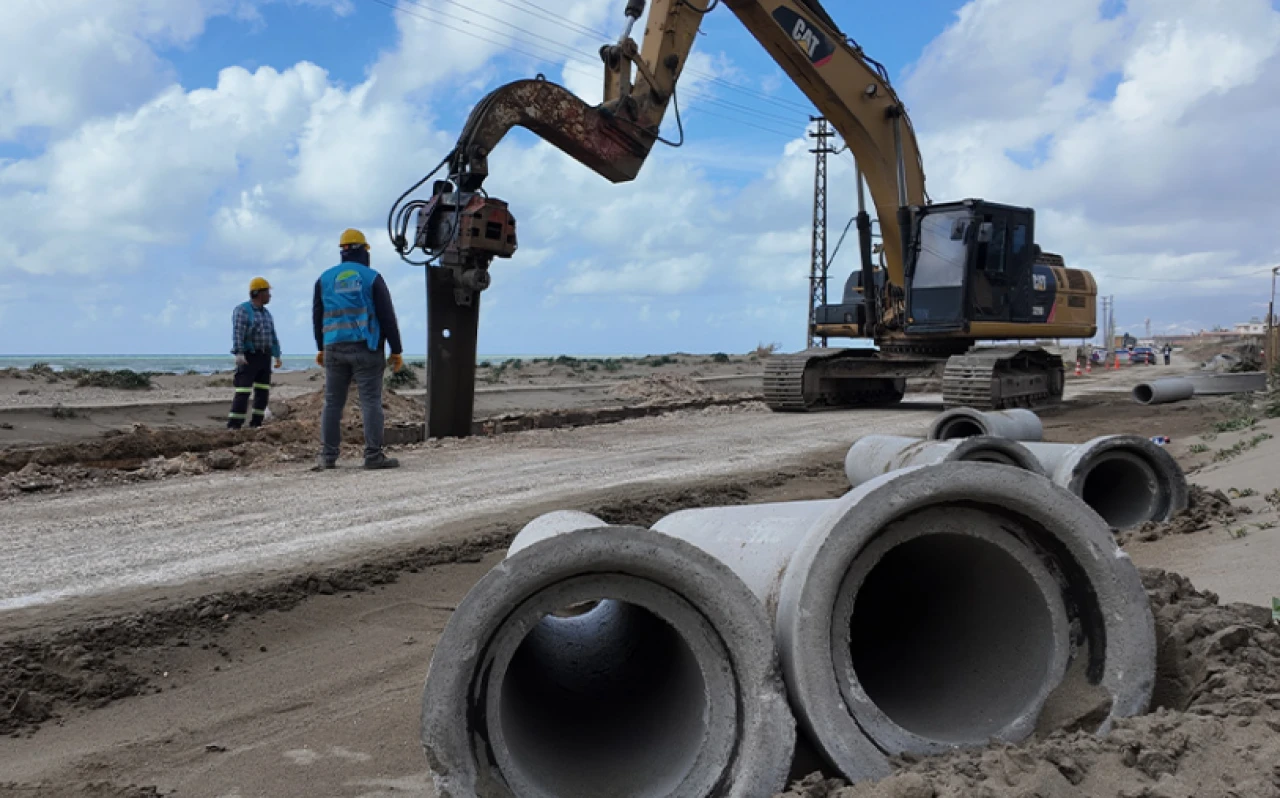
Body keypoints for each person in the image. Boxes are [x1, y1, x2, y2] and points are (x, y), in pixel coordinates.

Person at [313, 228, 405, 470]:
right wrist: (396, 349)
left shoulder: (324, 279)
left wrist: (320, 347)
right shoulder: (371, 277)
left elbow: (318, 315)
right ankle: (373, 456)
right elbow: (387, 316)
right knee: (371, 402)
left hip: (333, 347)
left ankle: (328, 456)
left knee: (332, 403)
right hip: (367, 348)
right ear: (364, 250)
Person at [228, 277, 283, 429]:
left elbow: (272, 335)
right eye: (267, 292)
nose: (270, 295)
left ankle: (256, 423)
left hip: (264, 357)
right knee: (243, 390)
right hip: (249, 357)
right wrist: (239, 353)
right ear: (258, 293)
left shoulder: (267, 314)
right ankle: (234, 425)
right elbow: (238, 332)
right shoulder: (243, 310)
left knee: (262, 391)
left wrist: (276, 354)